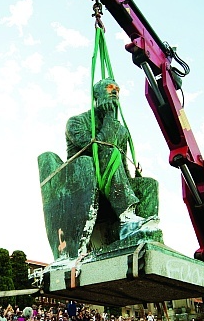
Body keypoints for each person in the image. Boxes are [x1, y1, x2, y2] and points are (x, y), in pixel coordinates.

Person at [65, 78, 157, 240]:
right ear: (97, 95)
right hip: (83, 181)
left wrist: (133, 181)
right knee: (108, 152)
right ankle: (126, 217)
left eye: (117, 89)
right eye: (109, 88)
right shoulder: (77, 122)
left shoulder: (121, 131)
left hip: (111, 181)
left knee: (148, 184)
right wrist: (109, 118)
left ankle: (142, 228)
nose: (115, 91)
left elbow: (121, 163)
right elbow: (95, 148)